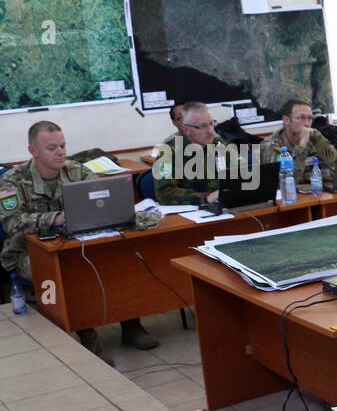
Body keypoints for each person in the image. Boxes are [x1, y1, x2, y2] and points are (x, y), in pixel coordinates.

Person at [0, 122, 162, 360]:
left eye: (63, 146)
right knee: (66, 273)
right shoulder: (12, 181)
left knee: (118, 262)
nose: (60, 152)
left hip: (78, 244)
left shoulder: (77, 171)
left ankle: (131, 324)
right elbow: (10, 223)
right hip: (27, 252)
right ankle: (88, 335)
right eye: (52, 147)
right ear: (33, 151)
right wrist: (56, 218)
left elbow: (104, 204)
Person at [151, 102, 242, 205]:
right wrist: (206, 198)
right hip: (192, 213)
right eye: (202, 126)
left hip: (226, 206)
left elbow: (239, 176)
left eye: (211, 124)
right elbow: (165, 194)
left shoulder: (221, 145)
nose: (210, 131)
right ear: (186, 130)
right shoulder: (168, 153)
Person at [258, 99, 337, 184]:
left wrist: (307, 176)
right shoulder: (270, 146)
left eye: (310, 118)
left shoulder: (314, 137)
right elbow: (287, 181)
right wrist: (302, 146)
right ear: (286, 120)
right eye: (301, 118)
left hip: (316, 192)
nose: (307, 124)